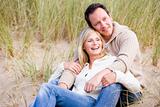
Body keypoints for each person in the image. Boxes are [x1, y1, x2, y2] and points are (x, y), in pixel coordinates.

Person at [30, 27, 142, 107]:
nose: (95, 43)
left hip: (93, 102)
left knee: (48, 90)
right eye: (90, 40)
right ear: (83, 46)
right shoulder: (81, 66)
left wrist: (116, 76)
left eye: (98, 40)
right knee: (47, 88)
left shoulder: (111, 62)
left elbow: (136, 86)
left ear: (102, 44)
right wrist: (62, 66)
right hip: (73, 100)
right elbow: (50, 85)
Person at [62, 3, 145, 107]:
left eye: (105, 19)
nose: (104, 25)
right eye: (97, 23)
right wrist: (62, 87)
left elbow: (123, 63)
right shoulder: (92, 39)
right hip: (96, 87)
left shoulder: (127, 36)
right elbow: (76, 65)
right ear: (91, 26)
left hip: (128, 88)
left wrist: (99, 75)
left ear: (110, 16)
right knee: (59, 84)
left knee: (111, 81)